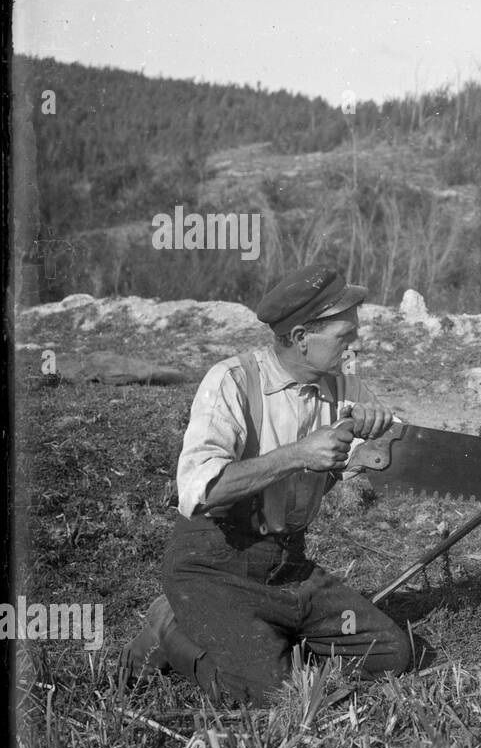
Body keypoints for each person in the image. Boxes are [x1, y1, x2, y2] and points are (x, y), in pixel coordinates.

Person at [124, 265, 412, 702]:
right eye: (344, 337)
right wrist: (297, 454)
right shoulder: (231, 382)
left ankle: (263, 638)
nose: (354, 347)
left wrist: (382, 431)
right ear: (300, 338)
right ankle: (170, 625)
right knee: (274, 691)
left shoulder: (345, 387)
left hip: (285, 567)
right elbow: (201, 492)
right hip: (213, 564)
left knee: (390, 653)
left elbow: (401, 444)